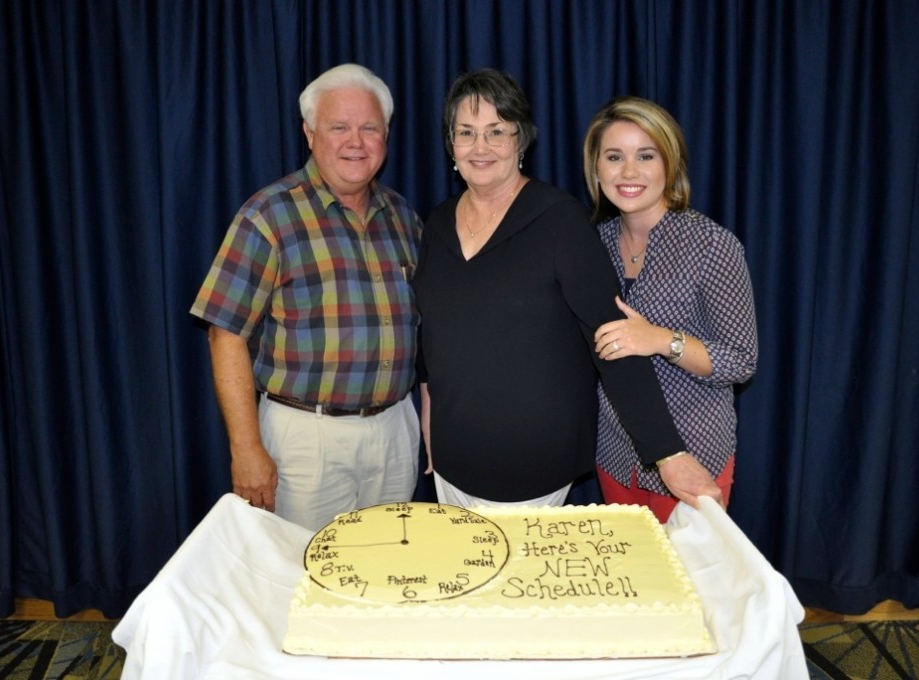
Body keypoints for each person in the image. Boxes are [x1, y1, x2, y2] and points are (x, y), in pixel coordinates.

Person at [412, 69, 721, 509]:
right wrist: (428, 412)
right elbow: (433, 332)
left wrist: (668, 452)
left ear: (521, 142)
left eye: (496, 131)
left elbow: (613, 342)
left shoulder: (560, 221)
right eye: (467, 132)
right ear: (451, 144)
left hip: (531, 467)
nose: (480, 147)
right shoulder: (438, 224)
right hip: (451, 462)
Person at [190, 64, 422, 531]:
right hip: (305, 440)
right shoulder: (268, 216)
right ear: (310, 133)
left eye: (369, 128)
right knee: (299, 579)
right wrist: (246, 447)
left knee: (385, 578)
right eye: (339, 127)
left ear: (386, 136)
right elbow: (225, 335)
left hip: (396, 429)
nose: (355, 141)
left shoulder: (403, 218)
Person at [584, 96, 758, 522]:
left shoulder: (712, 246)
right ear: (596, 169)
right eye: (614, 157)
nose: (628, 172)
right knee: (635, 585)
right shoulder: (591, 246)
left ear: (670, 164)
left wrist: (662, 340)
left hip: (694, 456)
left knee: (691, 585)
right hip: (614, 452)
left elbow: (740, 361)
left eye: (645, 156)